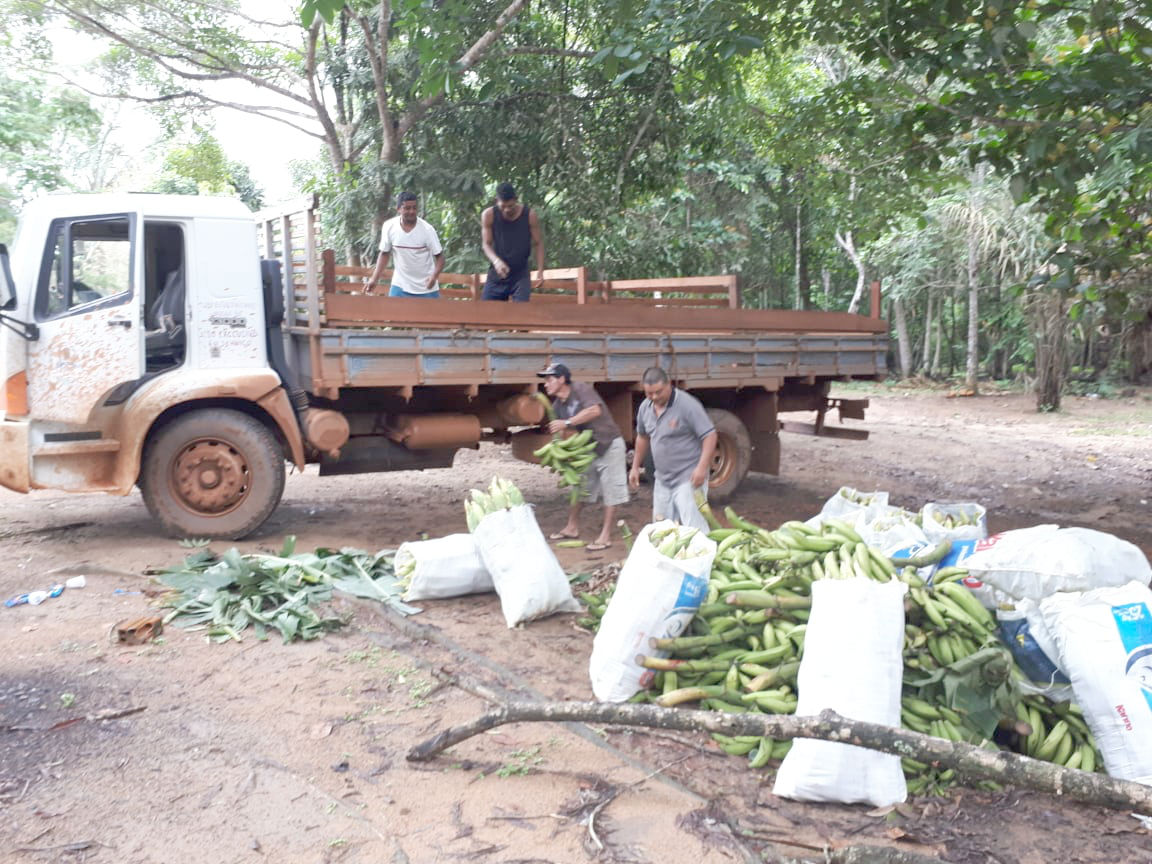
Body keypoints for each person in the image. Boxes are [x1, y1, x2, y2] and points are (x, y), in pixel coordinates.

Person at [538, 362, 628, 551]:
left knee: (611, 490)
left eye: (549, 379)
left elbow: (595, 410)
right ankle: (571, 527)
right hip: (589, 448)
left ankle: (605, 536)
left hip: (609, 443)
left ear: (562, 379)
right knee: (580, 488)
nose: (545, 384)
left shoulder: (580, 389)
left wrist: (567, 422)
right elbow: (564, 430)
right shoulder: (558, 405)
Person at [628, 366, 717, 532]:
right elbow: (642, 437)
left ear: (669, 384)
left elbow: (710, 435)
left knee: (694, 529)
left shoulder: (687, 405)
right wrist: (634, 467)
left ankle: (706, 557)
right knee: (661, 531)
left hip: (688, 478)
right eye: (649, 393)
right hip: (662, 480)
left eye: (658, 392)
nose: (654, 397)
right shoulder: (645, 408)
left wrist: (702, 468)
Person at [363, 192, 444, 297]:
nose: (411, 211)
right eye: (407, 208)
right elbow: (384, 254)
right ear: (399, 209)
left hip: (426, 288)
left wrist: (434, 277)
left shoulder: (427, 230)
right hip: (400, 286)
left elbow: (440, 258)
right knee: (392, 313)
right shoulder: (389, 226)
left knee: (433, 314)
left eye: (414, 208)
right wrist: (374, 279)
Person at [480, 182, 544, 302]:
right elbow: (486, 244)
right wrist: (496, 261)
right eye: (503, 206)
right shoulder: (488, 215)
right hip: (497, 275)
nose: (507, 210)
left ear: (516, 199)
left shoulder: (529, 215)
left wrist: (540, 271)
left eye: (510, 206)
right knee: (486, 314)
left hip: (520, 275)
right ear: (496, 200)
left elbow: (538, 243)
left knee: (520, 316)